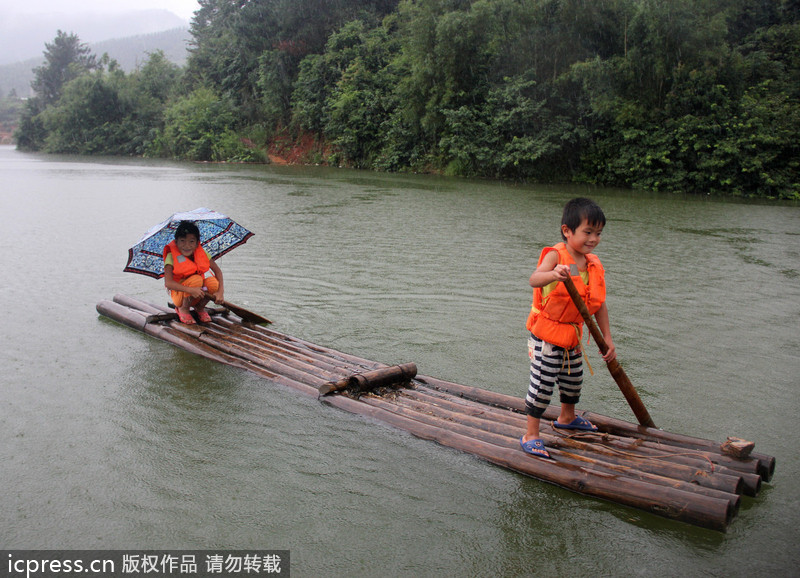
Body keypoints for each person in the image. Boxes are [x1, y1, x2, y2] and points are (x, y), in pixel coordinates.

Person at [519, 198, 617, 459]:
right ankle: (531, 434)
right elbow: (534, 279)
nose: (593, 239)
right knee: (542, 386)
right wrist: (554, 274)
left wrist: (607, 337)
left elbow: (599, 304)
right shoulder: (556, 255)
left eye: (598, 233)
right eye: (588, 232)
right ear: (567, 231)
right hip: (546, 337)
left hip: (572, 337)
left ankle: (567, 417)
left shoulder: (592, 264)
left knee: (573, 382)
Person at [163, 221, 225, 324]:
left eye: (191, 241)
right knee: (196, 280)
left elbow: (218, 271)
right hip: (180, 296)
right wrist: (190, 290)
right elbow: (168, 283)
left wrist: (220, 292)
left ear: (197, 243)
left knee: (213, 283)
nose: (187, 245)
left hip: (200, 292)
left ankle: (200, 308)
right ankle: (183, 309)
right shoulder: (171, 257)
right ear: (176, 242)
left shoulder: (202, 253)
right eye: (182, 241)